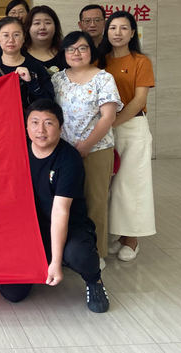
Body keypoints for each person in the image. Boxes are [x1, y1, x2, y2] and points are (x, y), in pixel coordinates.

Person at [0, 99, 109, 313]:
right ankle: (41, 262)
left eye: (48, 123)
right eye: (34, 122)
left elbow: (60, 211)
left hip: (69, 226)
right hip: (31, 229)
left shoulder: (69, 159)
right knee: (12, 293)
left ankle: (94, 280)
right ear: (26, 126)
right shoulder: (17, 151)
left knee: (78, 254)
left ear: (60, 126)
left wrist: (56, 262)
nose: (41, 130)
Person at [51, 31, 123, 266]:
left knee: (95, 203)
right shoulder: (57, 79)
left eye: (82, 48)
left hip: (96, 150)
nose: (76, 53)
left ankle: (96, 253)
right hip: (63, 152)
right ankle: (68, 252)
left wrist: (87, 145)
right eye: (71, 49)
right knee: (65, 203)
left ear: (91, 51)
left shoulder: (103, 78)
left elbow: (108, 116)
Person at [98, 11, 156, 262]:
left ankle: (132, 238)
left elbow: (139, 100)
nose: (118, 33)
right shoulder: (100, 60)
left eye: (124, 28)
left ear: (133, 33)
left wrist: (111, 124)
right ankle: (119, 234)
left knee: (131, 183)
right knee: (112, 185)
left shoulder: (141, 61)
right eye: (113, 28)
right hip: (105, 127)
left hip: (132, 127)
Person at [0, 17, 54, 106]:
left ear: (23, 37)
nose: (11, 40)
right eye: (6, 35)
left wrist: (32, 82)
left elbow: (49, 103)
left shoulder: (36, 67)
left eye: (16, 35)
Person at [24, 5, 64, 74]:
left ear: (55, 26)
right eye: (37, 23)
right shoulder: (19, 53)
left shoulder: (66, 52)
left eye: (47, 23)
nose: (42, 27)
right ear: (28, 27)